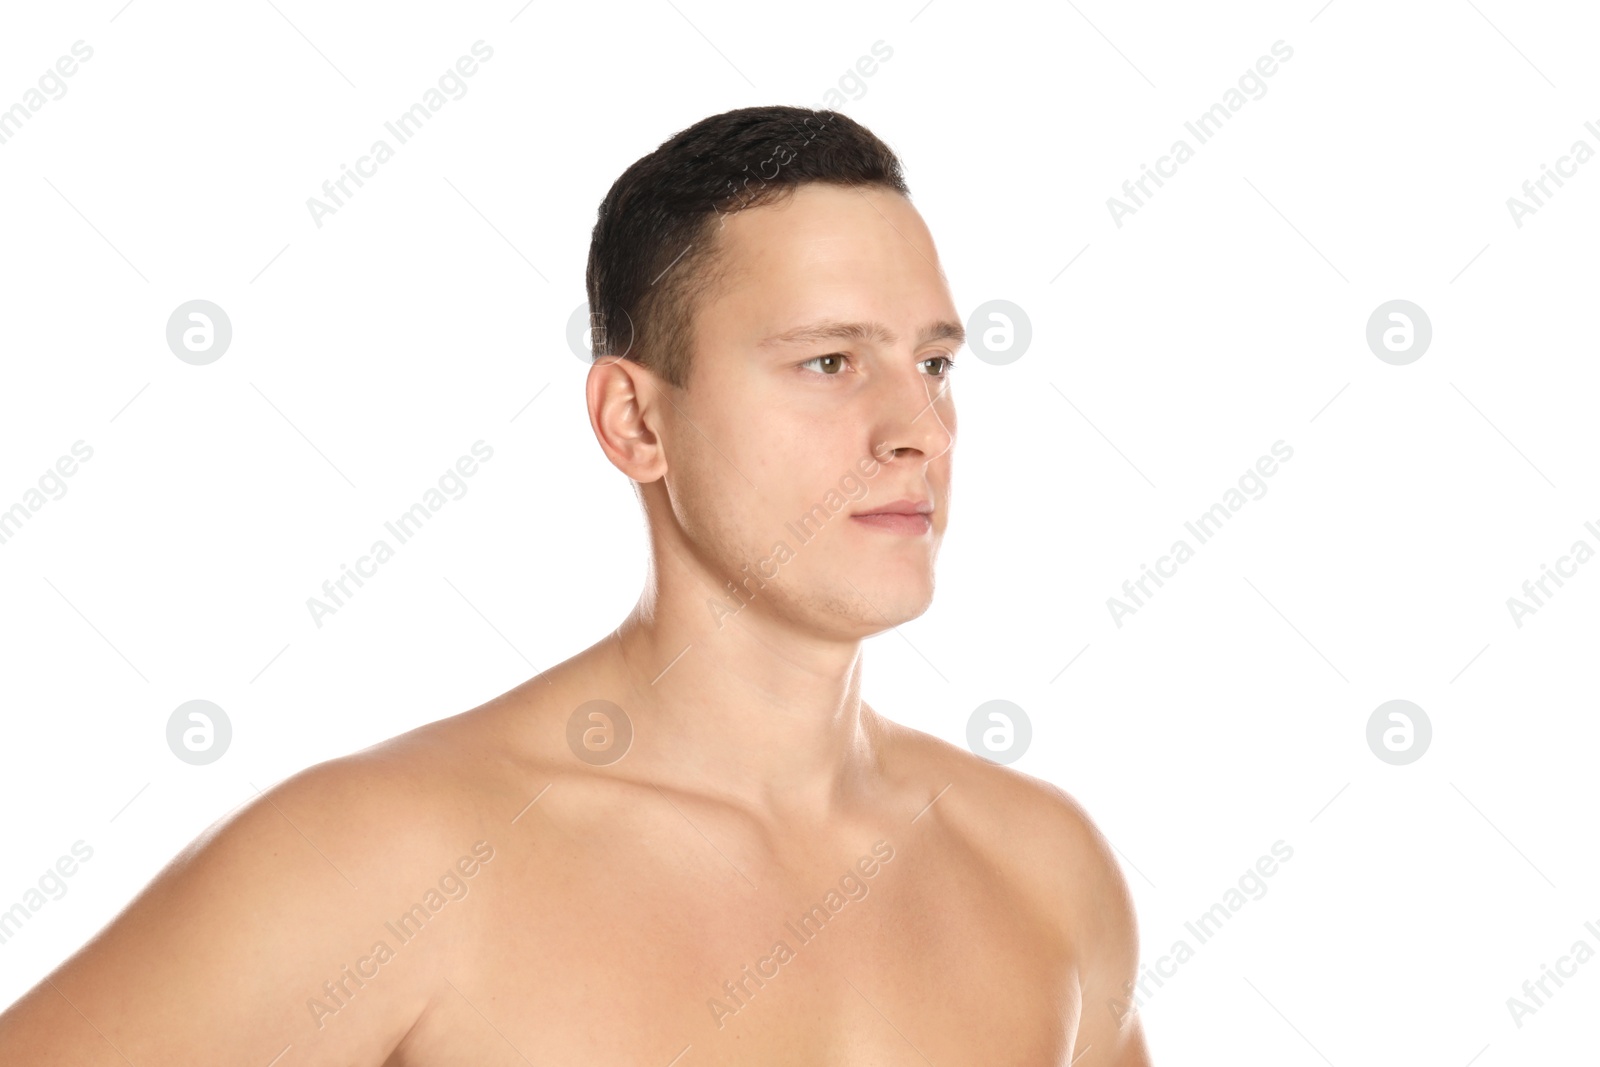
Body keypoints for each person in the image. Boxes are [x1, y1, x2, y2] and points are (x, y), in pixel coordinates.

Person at [0, 104, 1152, 1065]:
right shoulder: (389, 859)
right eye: (828, 362)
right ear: (635, 419)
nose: (917, 429)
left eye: (934, 362)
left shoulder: (1043, 868)